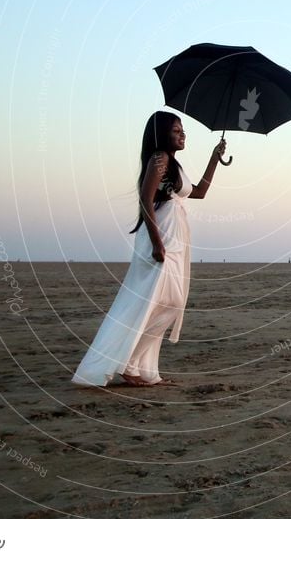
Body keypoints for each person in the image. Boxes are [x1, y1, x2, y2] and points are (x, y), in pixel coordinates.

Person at [71, 111, 226, 388]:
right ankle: (127, 366)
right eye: (177, 130)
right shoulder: (160, 158)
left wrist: (215, 157)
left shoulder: (174, 165)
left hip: (176, 240)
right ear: (162, 133)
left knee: (168, 301)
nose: (183, 135)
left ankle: (138, 366)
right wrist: (157, 243)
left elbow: (200, 191)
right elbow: (145, 198)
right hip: (160, 238)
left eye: (183, 130)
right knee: (157, 301)